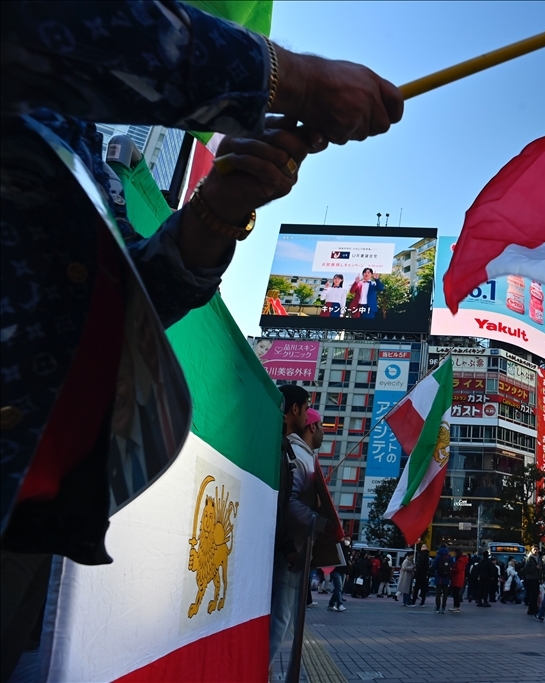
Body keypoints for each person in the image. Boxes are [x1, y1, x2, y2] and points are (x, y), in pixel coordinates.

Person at [2, 1, 402, 667]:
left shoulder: (75, 135)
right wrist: (289, 78)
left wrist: (222, 206)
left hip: (28, 494)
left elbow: (139, 293)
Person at [268, 390, 325, 666]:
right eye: (305, 410)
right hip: (290, 549)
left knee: (279, 617)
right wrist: (322, 523)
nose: (305, 415)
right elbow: (286, 503)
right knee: (279, 619)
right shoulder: (293, 453)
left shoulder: (294, 451)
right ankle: (258, 668)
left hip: (290, 547)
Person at [431, 545, 453, 614]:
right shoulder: (449, 556)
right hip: (446, 578)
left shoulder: (438, 556)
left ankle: (437, 607)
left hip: (439, 577)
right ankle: (443, 607)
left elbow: (434, 566)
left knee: (438, 593)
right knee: (445, 594)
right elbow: (452, 565)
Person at [449, 549, 468, 613]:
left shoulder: (460, 560)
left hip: (457, 578)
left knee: (456, 593)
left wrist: (452, 569)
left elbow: (458, 569)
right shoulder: (462, 560)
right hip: (459, 578)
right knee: (456, 593)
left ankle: (456, 607)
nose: (454, 554)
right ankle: (455, 607)